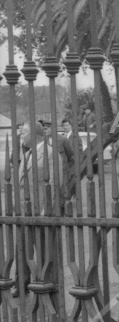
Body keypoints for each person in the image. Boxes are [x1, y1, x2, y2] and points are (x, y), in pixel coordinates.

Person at [12, 121, 64, 297]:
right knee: (23, 249)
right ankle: (21, 284)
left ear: (34, 134)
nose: (21, 136)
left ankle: (47, 284)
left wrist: (46, 210)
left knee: (43, 251)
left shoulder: (50, 153)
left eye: (24, 132)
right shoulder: (27, 154)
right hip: (25, 211)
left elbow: (56, 183)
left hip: (41, 211)